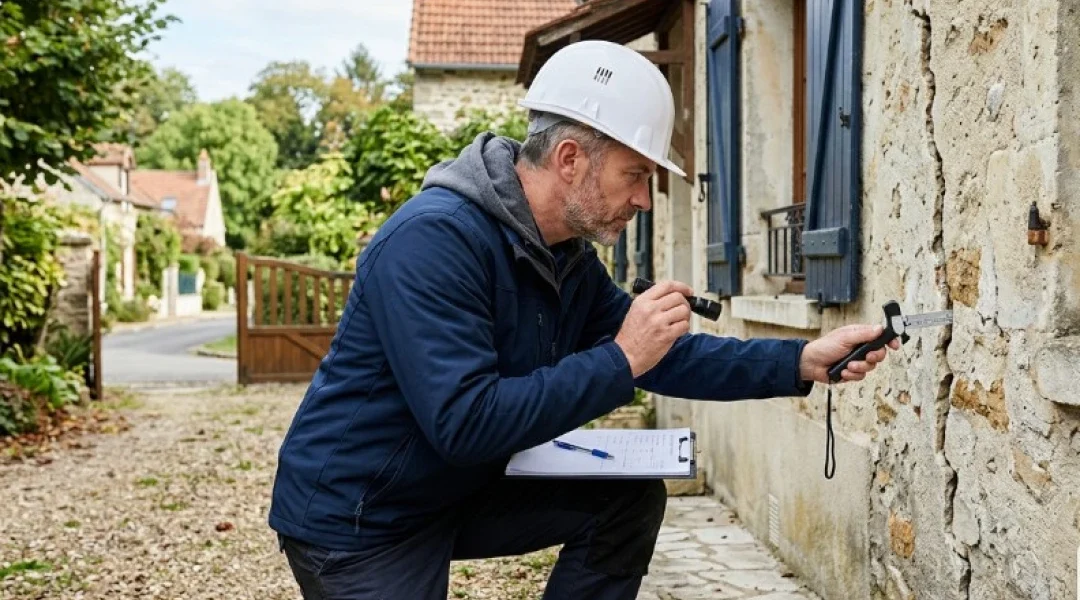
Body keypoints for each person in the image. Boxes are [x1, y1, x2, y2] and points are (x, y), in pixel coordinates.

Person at [268, 40, 898, 600]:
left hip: (452, 489)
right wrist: (620, 359)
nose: (642, 200)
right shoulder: (432, 242)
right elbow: (465, 422)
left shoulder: (564, 254)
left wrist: (800, 360)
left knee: (624, 498)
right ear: (570, 159)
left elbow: (660, 352)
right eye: (634, 176)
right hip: (362, 515)